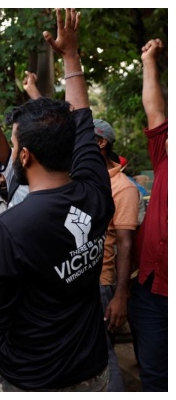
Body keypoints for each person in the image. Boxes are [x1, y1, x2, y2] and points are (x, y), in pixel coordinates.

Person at [0, 9, 114, 391]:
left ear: (23, 156)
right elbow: (83, 118)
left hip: (31, 380)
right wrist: (70, 56)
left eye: (16, 145)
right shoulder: (94, 189)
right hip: (90, 373)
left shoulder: (11, 227)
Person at [128, 37, 167, 392]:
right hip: (150, 288)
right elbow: (154, 109)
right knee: (154, 378)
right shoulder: (165, 157)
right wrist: (149, 60)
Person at [93, 118, 140, 392]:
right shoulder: (80, 176)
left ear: (101, 143)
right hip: (74, 278)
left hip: (101, 285)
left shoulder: (124, 188)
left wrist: (121, 296)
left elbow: (125, 244)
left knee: (103, 354)